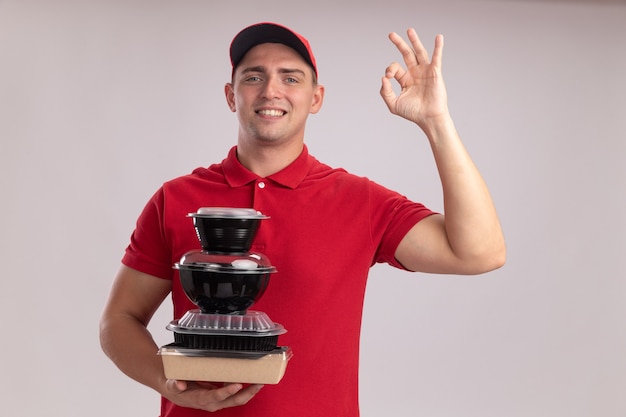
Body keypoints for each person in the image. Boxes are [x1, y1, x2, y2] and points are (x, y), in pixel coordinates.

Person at [99, 22, 505, 417]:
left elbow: (480, 254)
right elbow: (119, 320)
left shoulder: (360, 201)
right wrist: (165, 382)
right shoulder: (176, 198)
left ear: (316, 98)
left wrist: (436, 123)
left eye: (290, 79)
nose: (271, 90)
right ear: (231, 95)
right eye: (253, 77)